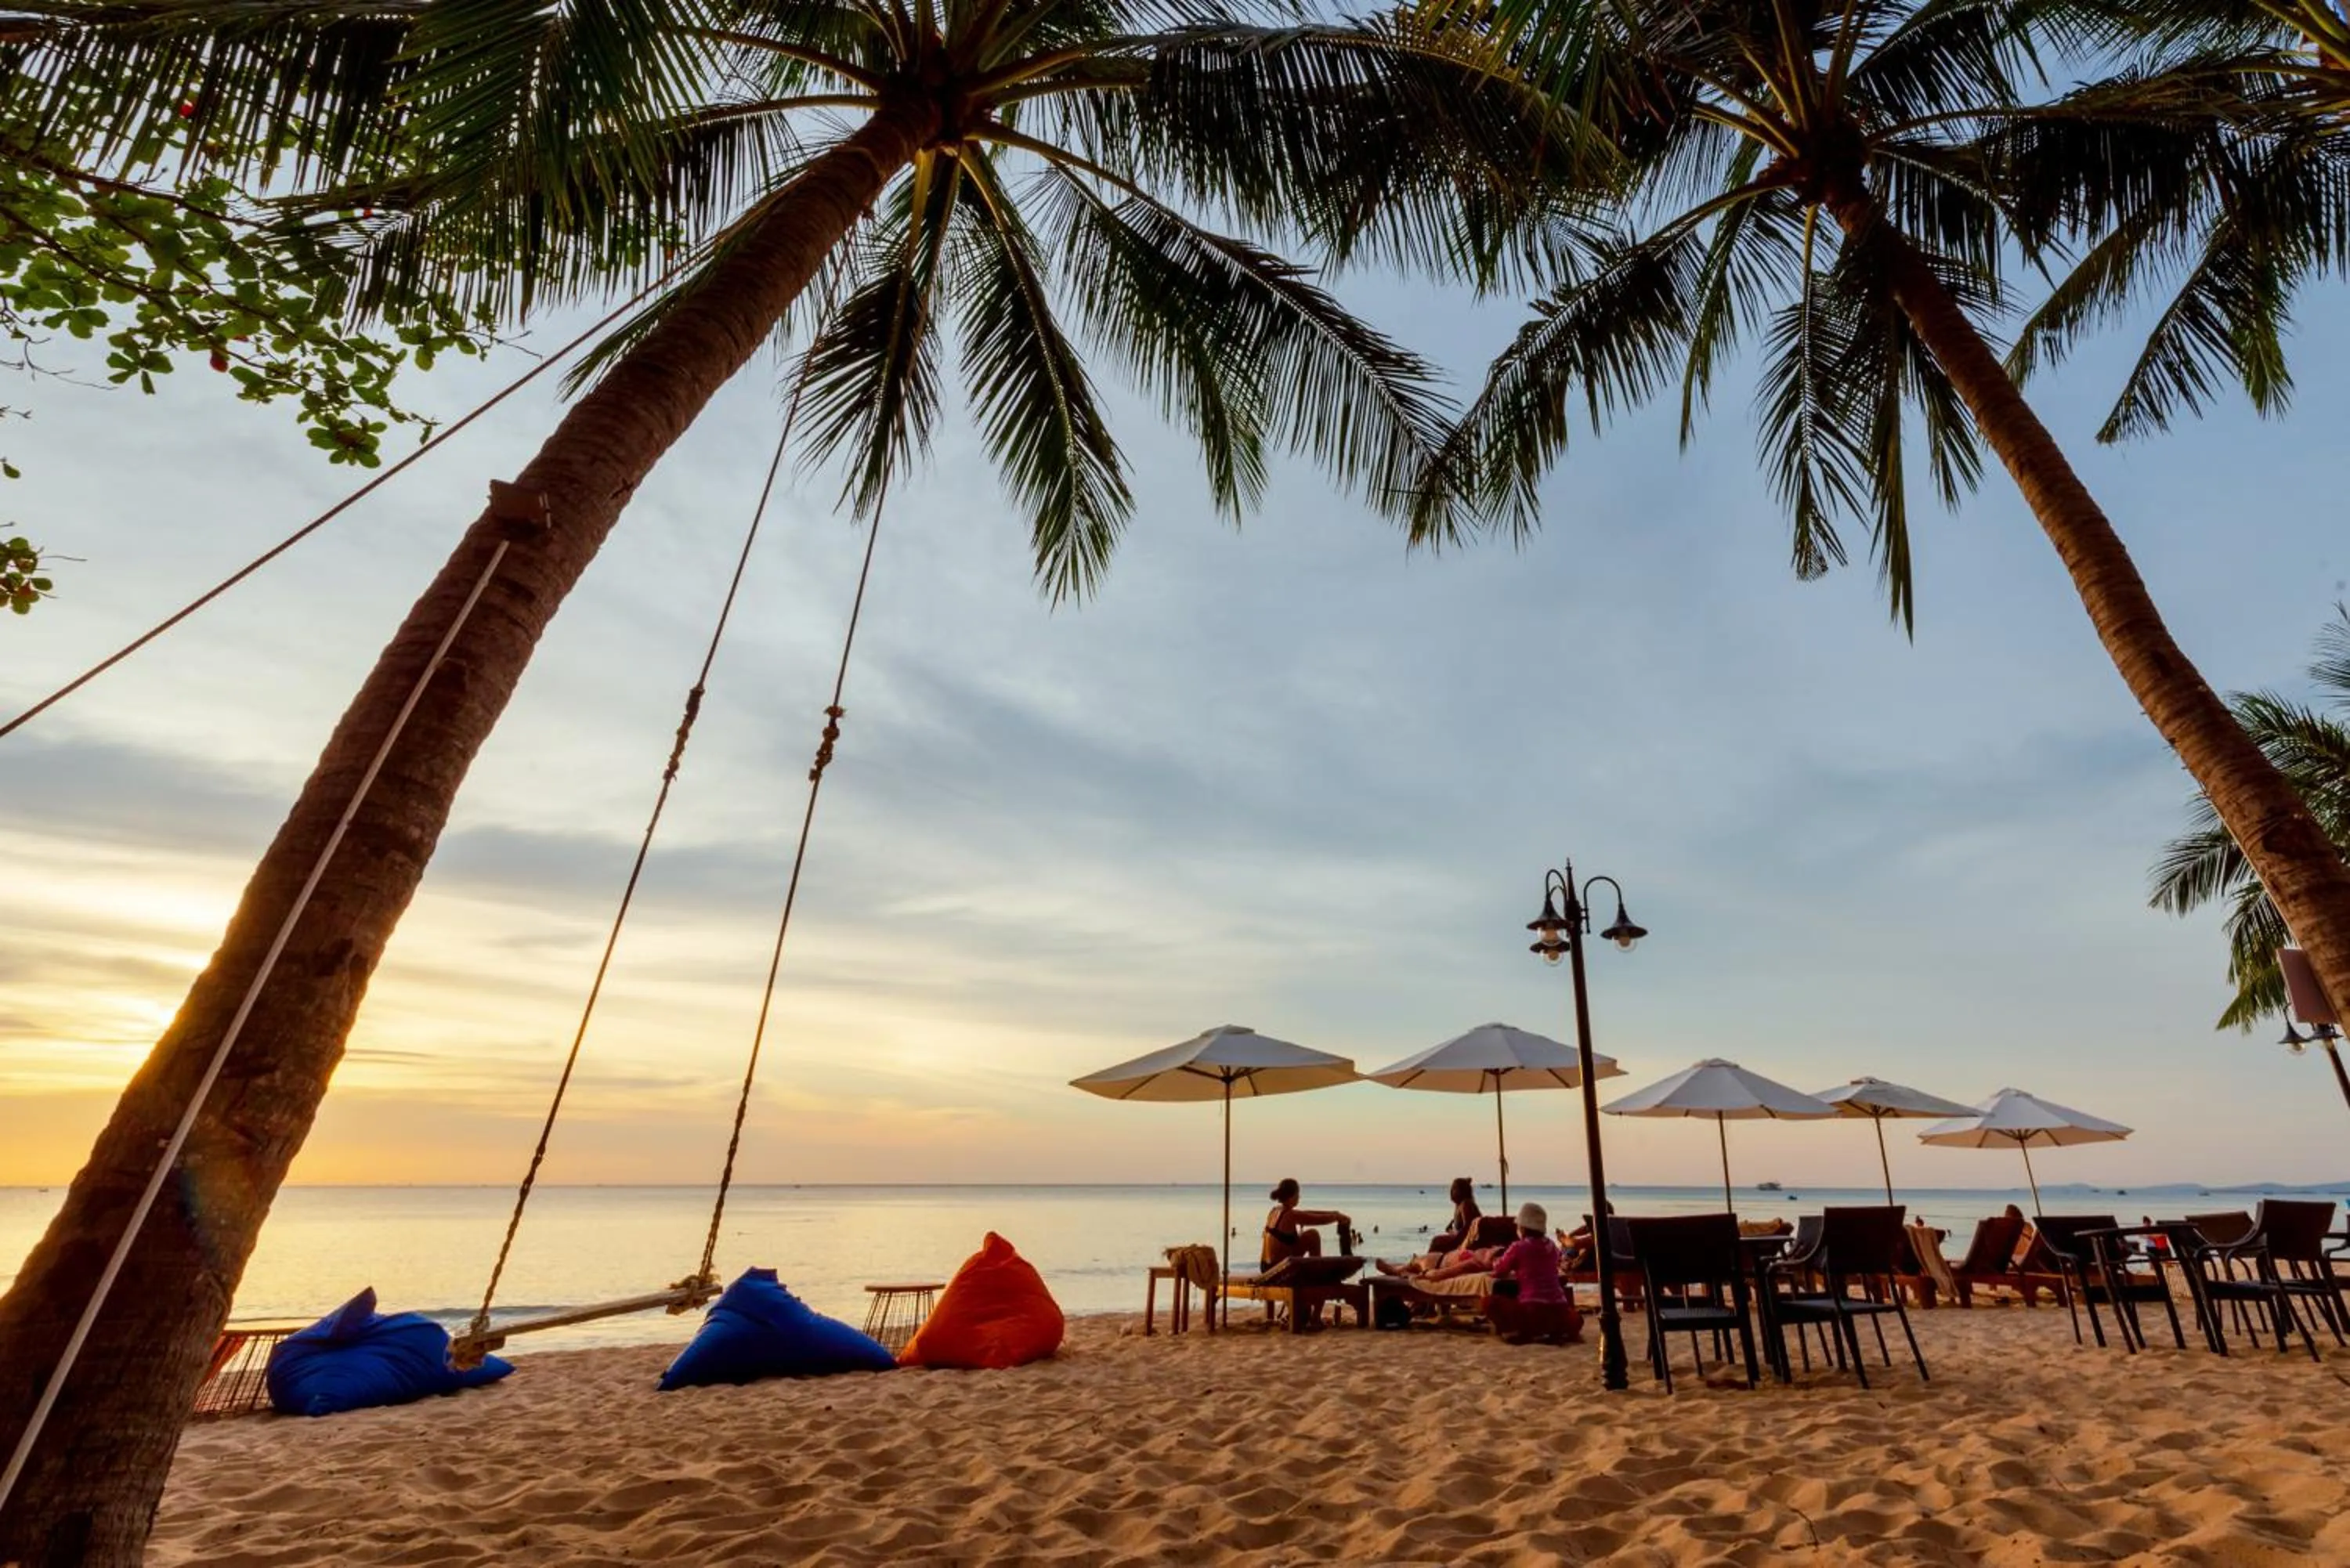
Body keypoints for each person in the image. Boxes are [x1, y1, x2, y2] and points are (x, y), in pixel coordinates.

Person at [1488, 1201, 1579, 1345]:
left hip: (1533, 1309)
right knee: (1573, 1318)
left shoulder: (1518, 1247)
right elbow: (1554, 1263)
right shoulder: (1551, 1245)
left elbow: (1499, 1270)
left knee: (1490, 1302)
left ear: (1523, 1228)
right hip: (1559, 1309)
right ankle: (1554, 1330)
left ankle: (1516, 1332)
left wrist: (1493, 1260)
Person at [1262, 1178, 1350, 1267]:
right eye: (1298, 1194)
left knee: (1306, 1235)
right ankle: (1317, 1269)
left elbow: (1307, 1214)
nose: (1299, 1197)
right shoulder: (1290, 1215)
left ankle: (1315, 1267)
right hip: (1278, 1267)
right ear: (1292, 1196)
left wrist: (1334, 1213)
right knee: (1313, 1235)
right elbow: (1318, 1219)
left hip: (1265, 1267)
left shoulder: (1275, 1211)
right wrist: (1337, 1217)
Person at [1432, 1176, 1482, 1252]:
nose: (1451, 1191)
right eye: (1452, 1188)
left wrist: (1454, 1239)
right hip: (1464, 1240)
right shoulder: (1459, 1206)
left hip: (1471, 1241)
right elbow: (1461, 1231)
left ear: (1462, 1191)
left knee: (1436, 1241)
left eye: (1454, 1188)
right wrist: (1451, 1231)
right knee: (1438, 1243)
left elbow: (1468, 1227)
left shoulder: (1466, 1203)